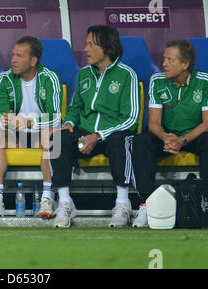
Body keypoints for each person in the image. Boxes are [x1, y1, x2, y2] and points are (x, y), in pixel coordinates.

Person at [50, 25, 140, 227]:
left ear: (107, 47)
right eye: (86, 43)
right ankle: (65, 202)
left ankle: (123, 203)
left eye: (91, 44)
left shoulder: (127, 75)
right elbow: (74, 107)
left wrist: (98, 135)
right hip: (84, 133)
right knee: (58, 137)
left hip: (111, 135)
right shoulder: (83, 74)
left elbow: (131, 119)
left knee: (121, 139)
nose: (86, 49)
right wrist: (69, 123)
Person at [132, 40, 208, 228]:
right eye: (164, 58)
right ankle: (145, 204)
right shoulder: (157, 80)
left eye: (170, 60)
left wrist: (182, 140)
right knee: (141, 141)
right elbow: (154, 123)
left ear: (185, 64)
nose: (163, 63)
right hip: (168, 137)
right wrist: (167, 138)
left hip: (195, 136)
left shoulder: (205, 80)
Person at [0, 36, 63, 219]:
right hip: (17, 136)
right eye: (13, 55)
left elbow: (56, 117)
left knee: (51, 133)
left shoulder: (50, 77)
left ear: (33, 61)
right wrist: (5, 120)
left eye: (19, 56)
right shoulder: (5, 78)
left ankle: (48, 198)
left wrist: (31, 122)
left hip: (41, 135)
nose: (13, 60)